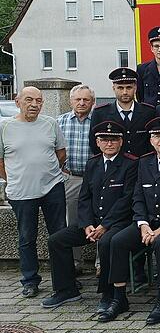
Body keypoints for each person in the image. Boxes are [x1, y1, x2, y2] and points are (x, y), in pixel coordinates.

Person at [100, 117, 160, 324]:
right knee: (117, 240)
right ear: (151, 140)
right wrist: (142, 224)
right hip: (148, 223)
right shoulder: (144, 162)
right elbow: (138, 197)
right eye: (157, 136)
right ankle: (119, 297)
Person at [42, 120, 138, 311]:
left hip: (118, 223)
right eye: (104, 139)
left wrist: (105, 226)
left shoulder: (130, 164)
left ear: (121, 142)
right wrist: (86, 224)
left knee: (106, 242)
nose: (109, 143)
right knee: (56, 240)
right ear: (97, 142)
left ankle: (107, 294)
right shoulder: (93, 163)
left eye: (113, 139)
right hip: (92, 224)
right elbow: (84, 198)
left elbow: (126, 200)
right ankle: (66, 290)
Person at [0, 86, 67, 297]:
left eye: (39, 100)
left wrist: (46, 173)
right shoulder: (4, 126)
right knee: (26, 237)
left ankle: (64, 280)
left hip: (52, 187)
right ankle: (30, 280)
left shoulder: (50, 123)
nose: (34, 104)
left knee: (59, 234)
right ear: (17, 101)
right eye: (29, 100)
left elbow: (61, 153)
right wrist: (13, 178)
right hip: (21, 192)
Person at [57, 84, 95, 273]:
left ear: (92, 102)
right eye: (77, 99)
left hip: (96, 180)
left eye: (86, 99)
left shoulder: (98, 120)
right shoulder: (60, 122)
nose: (81, 103)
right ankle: (75, 263)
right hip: (71, 178)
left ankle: (101, 263)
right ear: (70, 101)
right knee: (71, 222)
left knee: (102, 218)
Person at [90, 68, 156, 158]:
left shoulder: (148, 112)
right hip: (113, 168)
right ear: (113, 88)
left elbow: (153, 142)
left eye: (129, 87)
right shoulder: (101, 113)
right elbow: (94, 143)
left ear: (135, 88)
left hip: (142, 166)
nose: (125, 92)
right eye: (120, 88)